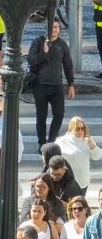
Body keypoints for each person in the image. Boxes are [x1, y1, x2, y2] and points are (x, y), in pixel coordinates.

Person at [27, 20, 75, 150]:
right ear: (47, 28)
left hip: (57, 86)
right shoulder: (38, 41)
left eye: (56, 27)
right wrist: (44, 52)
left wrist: (71, 84)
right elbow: (31, 61)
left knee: (59, 114)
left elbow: (68, 65)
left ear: (59, 29)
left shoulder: (62, 44)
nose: (54, 29)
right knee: (41, 116)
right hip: (40, 85)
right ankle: (41, 144)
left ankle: (51, 141)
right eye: (52, 27)